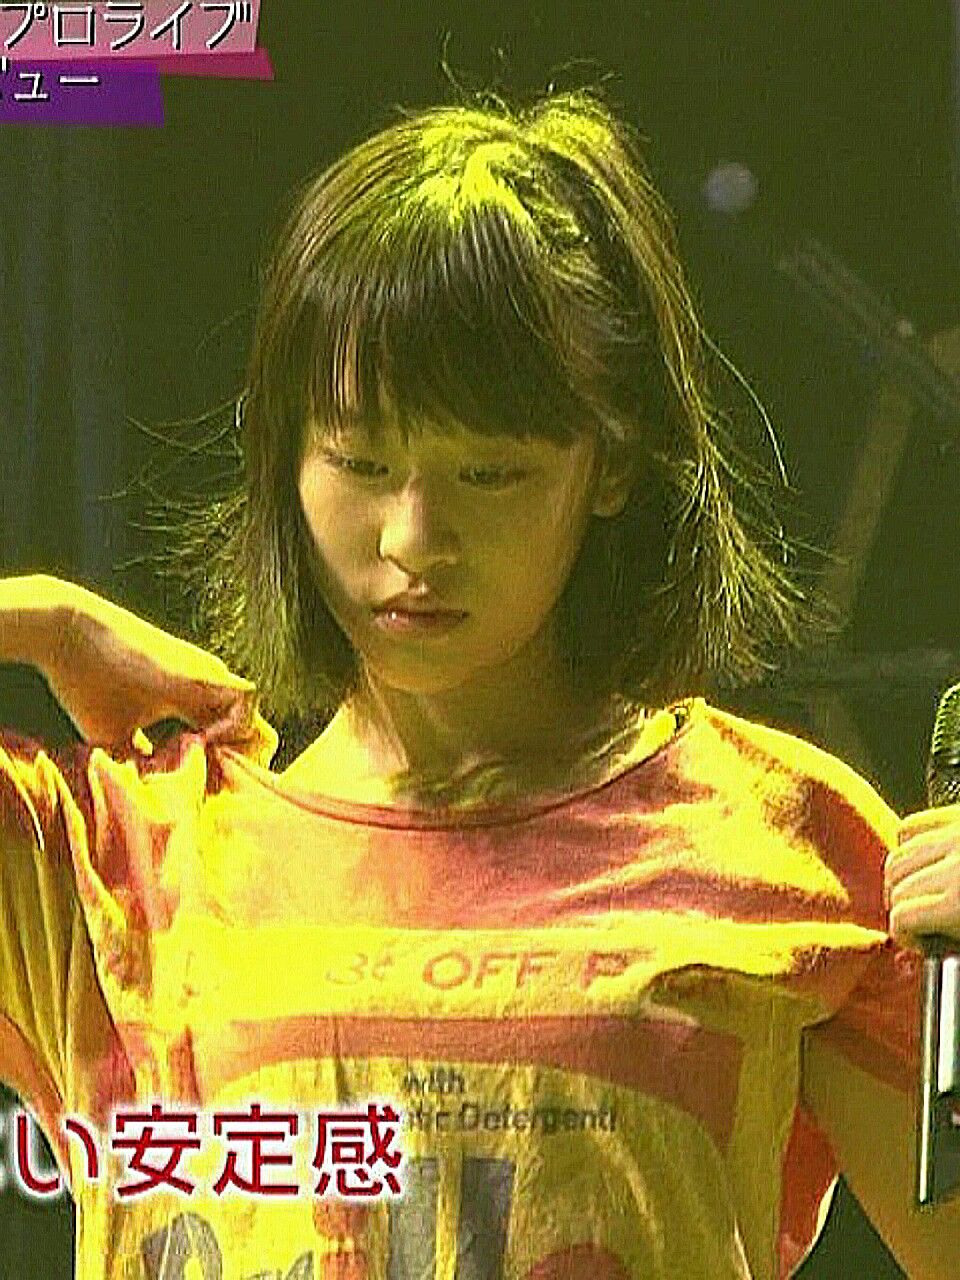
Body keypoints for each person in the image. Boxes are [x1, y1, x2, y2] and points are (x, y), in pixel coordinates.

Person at [0, 86, 959, 1280]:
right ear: (285, 451)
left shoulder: (788, 845)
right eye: (360, 460)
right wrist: (41, 617)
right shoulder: (121, 857)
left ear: (610, 462)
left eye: (490, 473)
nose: (414, 538)